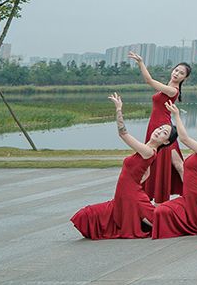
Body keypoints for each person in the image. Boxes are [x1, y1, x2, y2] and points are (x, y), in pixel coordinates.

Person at [71, 93, 169, 239]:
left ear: (165, 142)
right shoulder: (147, 151)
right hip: (125, 194)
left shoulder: (148, 151)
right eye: (160, 128)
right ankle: (140, 219)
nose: (159, 131)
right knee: (85, 215)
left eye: (164, 133)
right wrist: (136, 183)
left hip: (131, 196)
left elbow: (123, 134)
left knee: (163, 226)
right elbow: (146, 172)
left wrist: (118, 109)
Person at [151, 101, 197, 238]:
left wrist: (177, 115)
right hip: (190, 195)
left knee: (162, 212)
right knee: (160, 211)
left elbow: (184, 139)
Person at [129, 51, 189, 203]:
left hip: (163, 128)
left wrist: (141, 63)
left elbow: (149, 81)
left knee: (176, 163)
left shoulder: (172, 90)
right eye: (176, 70)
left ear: (185, 78)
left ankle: (192, 195)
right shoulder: (169, 86)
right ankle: (189, 194)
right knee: (174, 163)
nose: (176, 73)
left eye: (181, 73)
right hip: (157, 126)